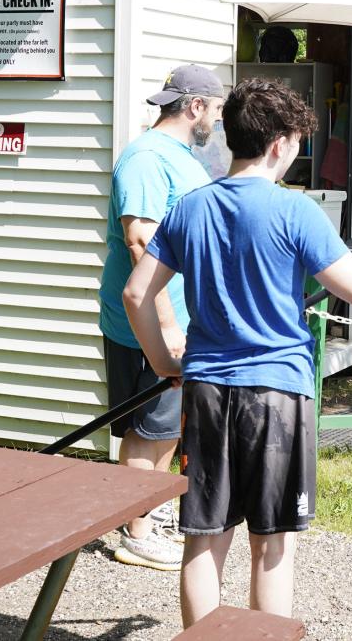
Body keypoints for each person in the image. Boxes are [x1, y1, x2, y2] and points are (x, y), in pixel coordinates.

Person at [122, 77, 352, 626]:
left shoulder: (190, 208)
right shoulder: (296, 211)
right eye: (295, 145)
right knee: (272, 544)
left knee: (205, 539)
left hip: (208, 391)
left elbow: (136, 293)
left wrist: (169, 364)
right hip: (276, 397)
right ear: (279, 144)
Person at [99, 64, 225, 570]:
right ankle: (136, 533)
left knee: (168, 427)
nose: (216, 120)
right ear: (195, 106)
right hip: (149, 322)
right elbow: (141, 243)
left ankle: (148, 516)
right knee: (149, 428)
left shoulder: (178, 156)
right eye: (215, 110)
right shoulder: (148, 159)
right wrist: (170, 328)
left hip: (180, 319)